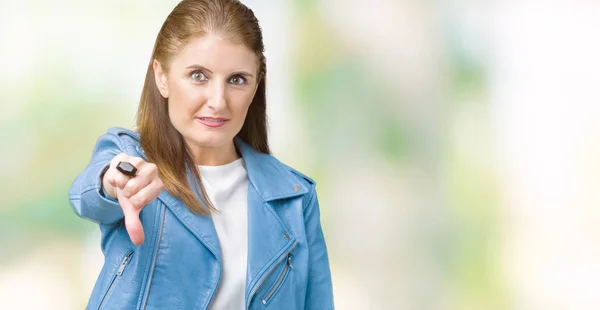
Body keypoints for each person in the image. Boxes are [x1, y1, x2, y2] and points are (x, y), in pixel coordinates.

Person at [67, 0, 334, 309]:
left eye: (236, 80)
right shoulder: (131, 158)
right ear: (162, 76)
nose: (218, 101)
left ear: (256, 85)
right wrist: (116, 181)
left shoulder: (294, 197)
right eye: (198, 76)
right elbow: (87, 194)